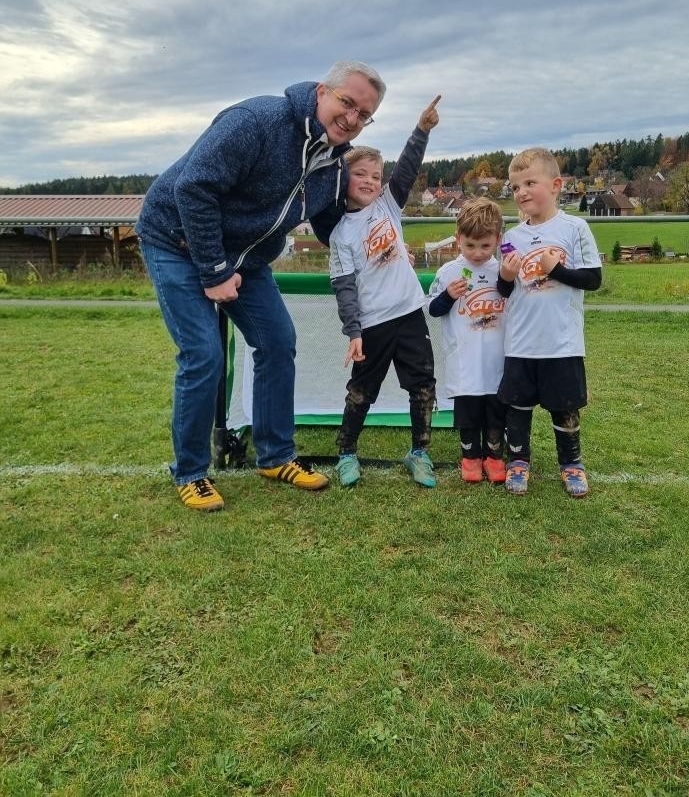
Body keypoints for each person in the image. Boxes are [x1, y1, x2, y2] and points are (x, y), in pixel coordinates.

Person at [136, 61, 387, 511]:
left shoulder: (333, 165)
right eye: (347, 102)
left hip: (246, 259)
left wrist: (380, 251)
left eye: (363, 114)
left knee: (277, 341)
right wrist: (213, 271)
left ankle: (275, 456)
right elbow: (193, 189)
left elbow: (333, 227)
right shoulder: (256, 121)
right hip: (173, 238)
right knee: (203, 355)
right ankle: (191, 471)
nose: (351, 118)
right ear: (320, 92)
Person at [329, 96, 442, 488]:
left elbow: (408, 169)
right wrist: (354, 331)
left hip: (410, 314)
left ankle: (419, 453)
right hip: (373, 325)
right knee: (362, 391)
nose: (371, 182)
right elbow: (343, 287)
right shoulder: (341, 233)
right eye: (362, 174)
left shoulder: (388, 206)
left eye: (376, 176)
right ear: (345, 179)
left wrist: (422, 129)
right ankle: (346, 453)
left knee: (423, 386)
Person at [496, 147, 602, 498]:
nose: (522, 192)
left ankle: (571, 463)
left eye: (530, 182)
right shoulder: (511, 237)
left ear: (556, 185)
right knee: (518, 406)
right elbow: (503, 289)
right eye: (515, 187)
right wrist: (507, 277)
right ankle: (518, 461)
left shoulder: (575, 227)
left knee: (564, 407)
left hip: (562, 342)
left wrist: (555, 269)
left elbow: (593, 279)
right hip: (521, 343)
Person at [428, 198, 509, 484]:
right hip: (464, 360)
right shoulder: (448, 273)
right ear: (458, 238)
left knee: (496, 411)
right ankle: (470, 457)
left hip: (497, 360)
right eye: (470, 245)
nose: (477, 253)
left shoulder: (504, 271)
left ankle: (494, 457)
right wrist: (448, 295)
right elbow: (433, 309)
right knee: (468, 413)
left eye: (485, 246)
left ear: (497, 240)